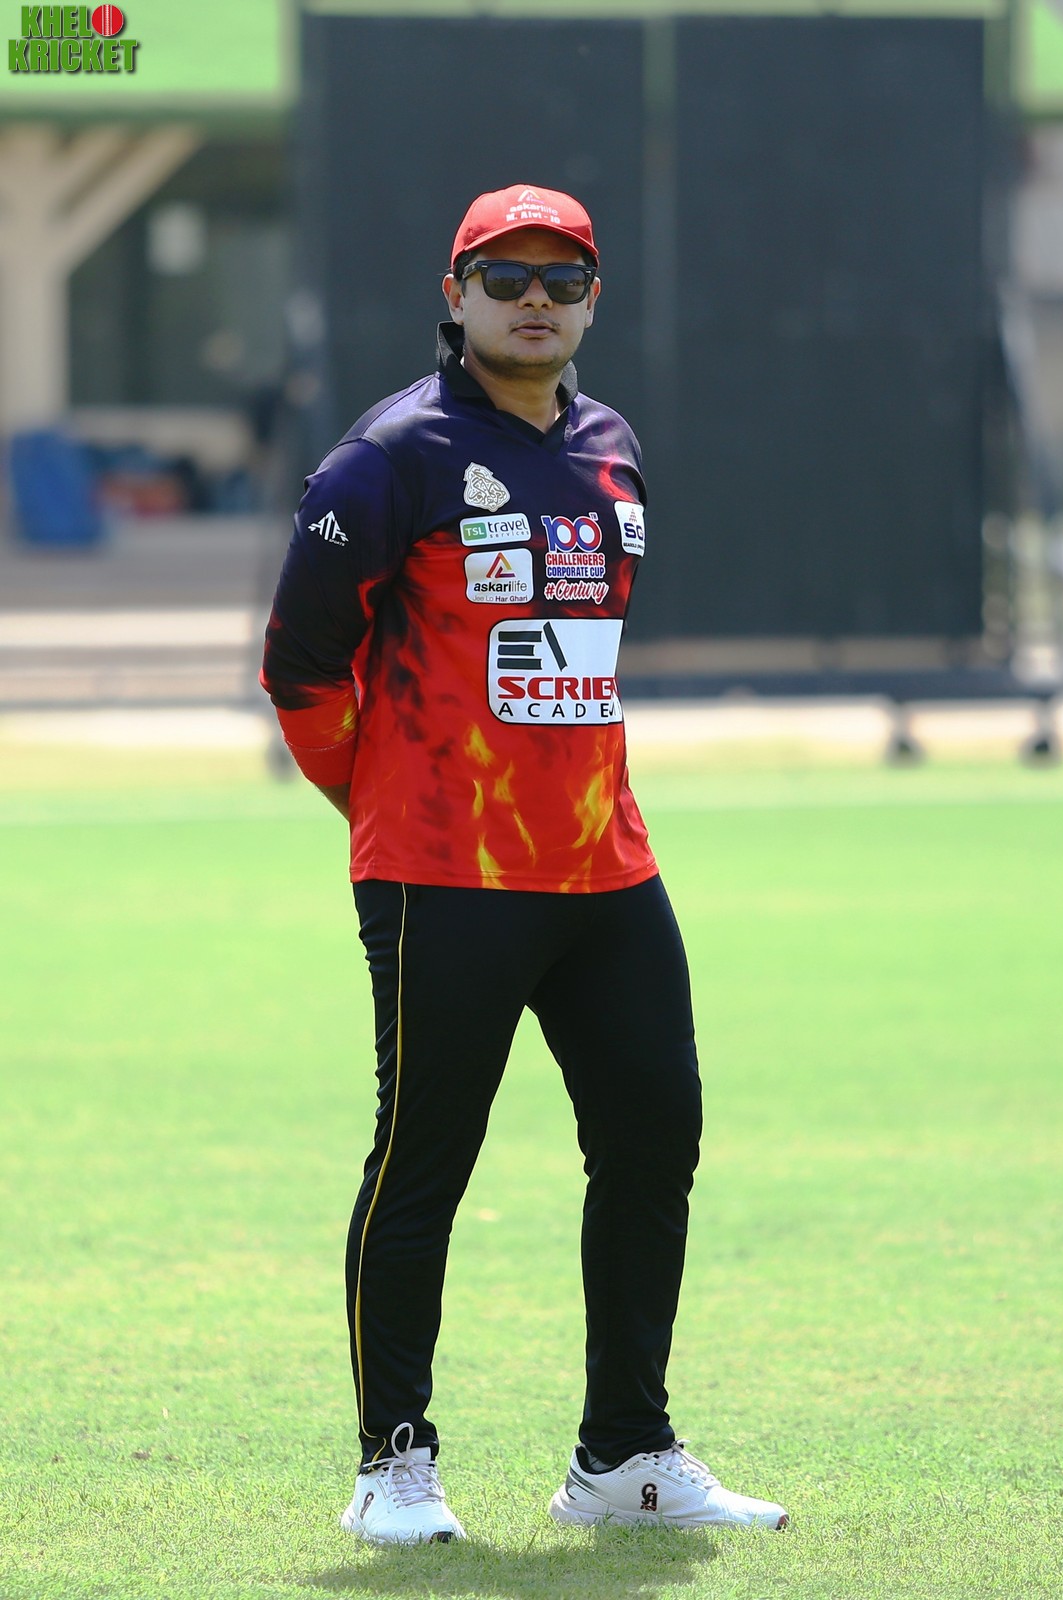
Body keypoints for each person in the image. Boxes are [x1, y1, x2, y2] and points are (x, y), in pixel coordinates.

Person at [261, 183, 789, 1545]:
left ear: (592, 301)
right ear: (456, 296)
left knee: (654, 1139)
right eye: (506, 279)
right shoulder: (389, 458)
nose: (535, 300)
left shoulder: (611, 448)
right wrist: (380, 809)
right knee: (423, 1161)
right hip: (445, 874)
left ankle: (625, 1457)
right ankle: (393, 1464)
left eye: (562, 278)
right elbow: (302, 667)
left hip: (606, 870)